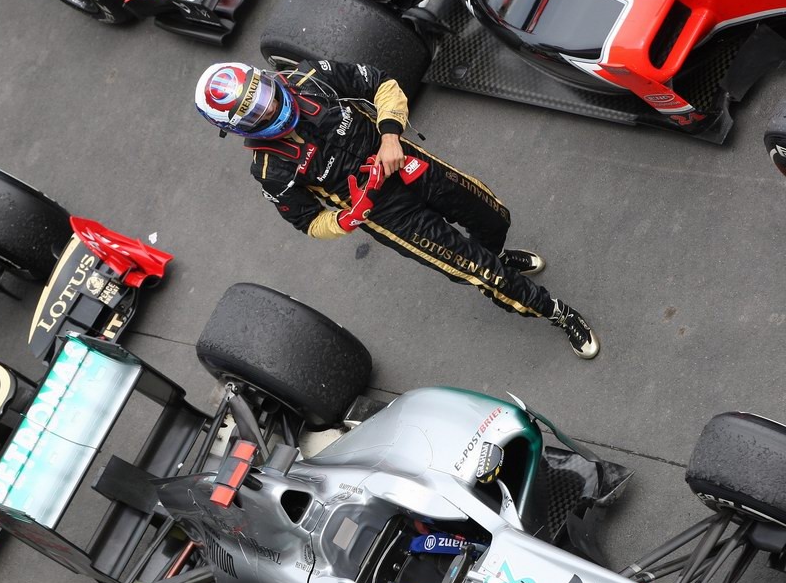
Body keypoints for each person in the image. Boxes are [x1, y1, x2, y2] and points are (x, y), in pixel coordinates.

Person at [194, 59, 599, 359]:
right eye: (255, 112)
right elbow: (307, 221)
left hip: (403, 161)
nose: (268, 109)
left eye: (263, 96)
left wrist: (390, 135)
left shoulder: (308, 77)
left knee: (493, 215)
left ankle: (497, 254)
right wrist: (345, 221)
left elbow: (382, 83)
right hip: (385, 214)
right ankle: (556, 313)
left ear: (264, 80)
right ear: (237, 127)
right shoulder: (269, 168)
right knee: (478, 270)